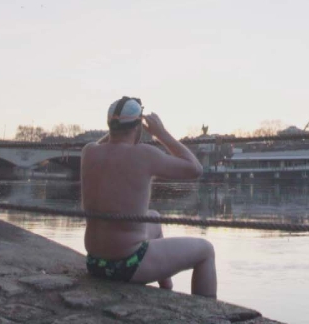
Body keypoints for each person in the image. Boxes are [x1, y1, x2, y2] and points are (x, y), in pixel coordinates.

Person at [80, 96, 217, 297]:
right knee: (206, 251)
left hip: (95, 262)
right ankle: (207, 314)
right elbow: (195, 169)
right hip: (127, 265)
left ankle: (166, 287)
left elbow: (107, 141)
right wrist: (161, 133)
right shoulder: (144, 154)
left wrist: (116, 127)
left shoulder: (89, 152)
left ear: (110, 126)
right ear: (139, 128)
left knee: (152, 216)